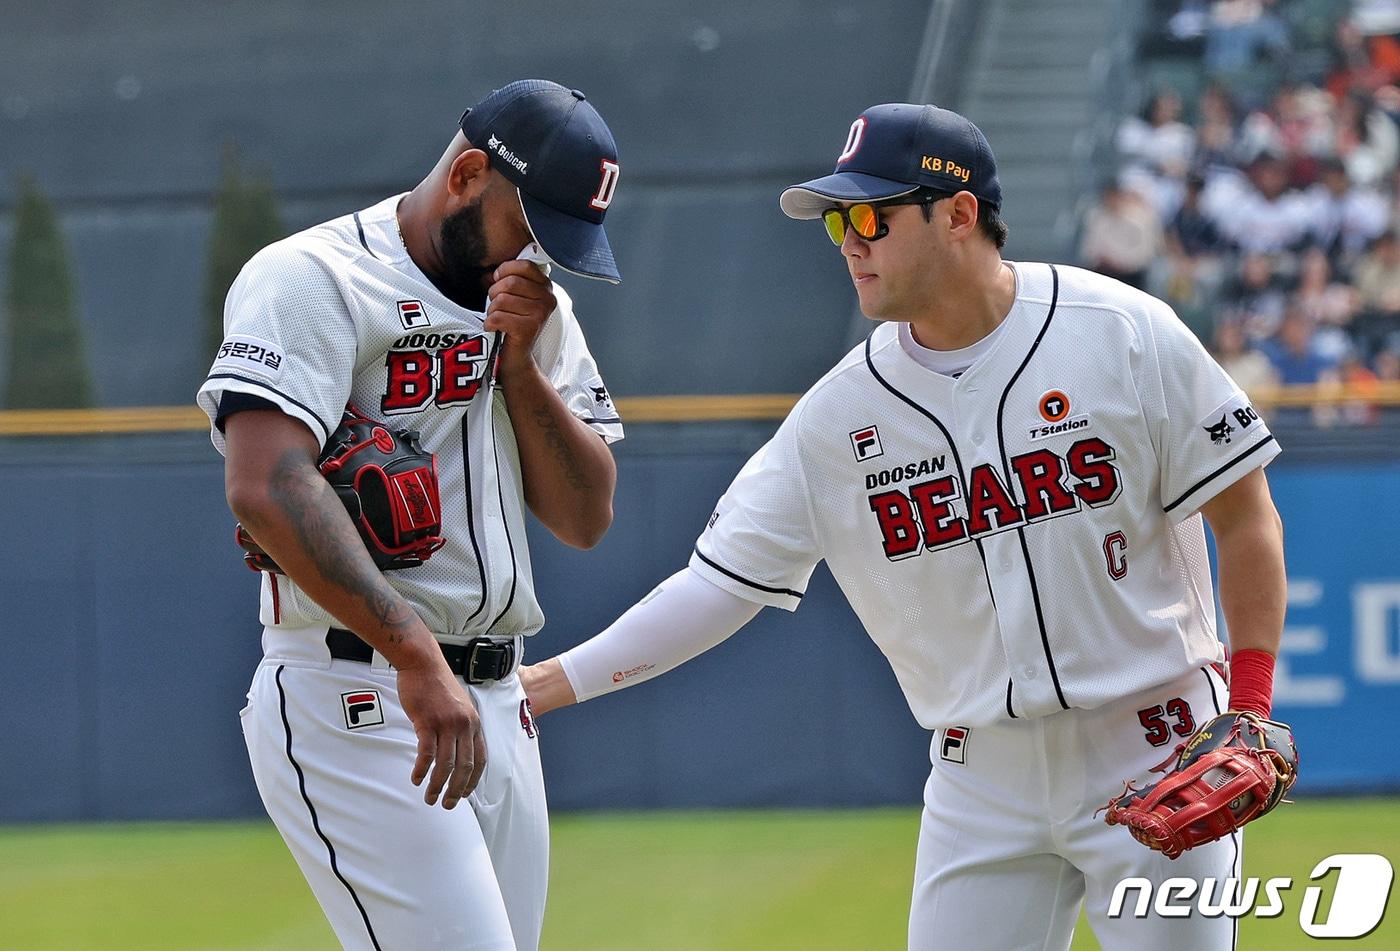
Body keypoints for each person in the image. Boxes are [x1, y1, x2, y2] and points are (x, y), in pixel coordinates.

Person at [522, 102, 1291, 950]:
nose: (850, 239)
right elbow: (715, 586)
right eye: (838, 222)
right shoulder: (837, 414)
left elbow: (1245, 516)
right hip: (979, 780)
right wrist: (552, 683)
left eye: (872, 216)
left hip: (1158, 745)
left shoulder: (1122, 332)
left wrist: (1251, 707)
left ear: (959, 215)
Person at [196, 79, 626, 951]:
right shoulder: (312, 278)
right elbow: (265, 483)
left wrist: (520, 370)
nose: (539, 254)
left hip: (499, 699)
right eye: (531, 225)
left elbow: (585, 516)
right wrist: (415, 654)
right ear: (469, 173)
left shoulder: (535, 308)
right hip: (359, 683)